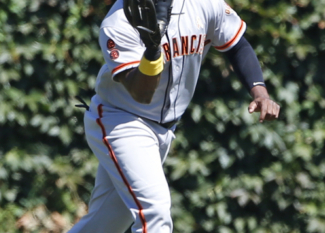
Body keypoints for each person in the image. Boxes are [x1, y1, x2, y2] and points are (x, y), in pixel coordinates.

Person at [69, 0, 280, 232]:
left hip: (164, 128)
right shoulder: (120, 21)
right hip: (121, 121)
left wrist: (260, 92)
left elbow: (236, 45)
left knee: (104, 224)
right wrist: (152, 51)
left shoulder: (204, 4)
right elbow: (142, 94)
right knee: (155, 213)